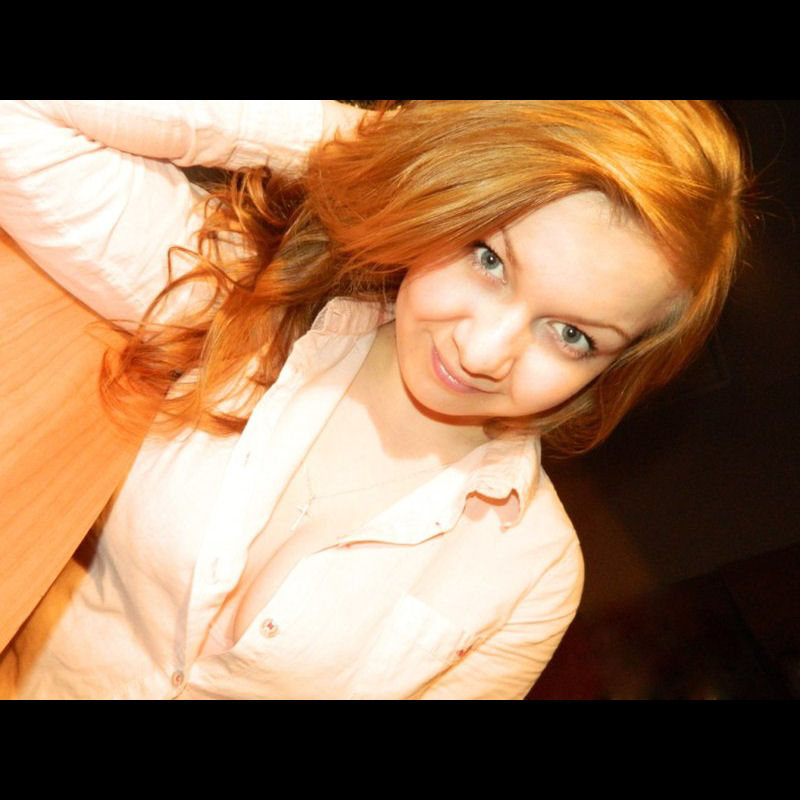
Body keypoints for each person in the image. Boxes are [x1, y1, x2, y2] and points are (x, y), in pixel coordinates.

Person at [0, 100, 746, 699]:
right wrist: (377, 153)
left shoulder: (533, 573)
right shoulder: (240, 301)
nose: (483, 351)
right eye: (488, 257)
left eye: (572, 335)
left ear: (617, 365)